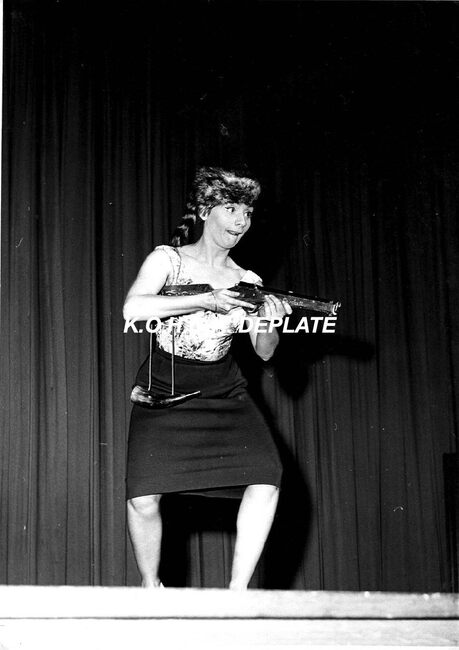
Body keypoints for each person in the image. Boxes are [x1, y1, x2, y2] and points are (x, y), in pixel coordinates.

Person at [124, 167, 292, 590]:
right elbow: (133, 309)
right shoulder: (168, 260)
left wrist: (269, 322)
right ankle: (151, 586)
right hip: (166, 385)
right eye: (231, 209)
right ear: (203, 211)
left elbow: (264, 351)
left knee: (267, 476)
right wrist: (208, 299)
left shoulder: (248, 280)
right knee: (143, 499)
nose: (241, 221)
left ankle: (237, 594)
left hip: (223, 389)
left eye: (247, 213)